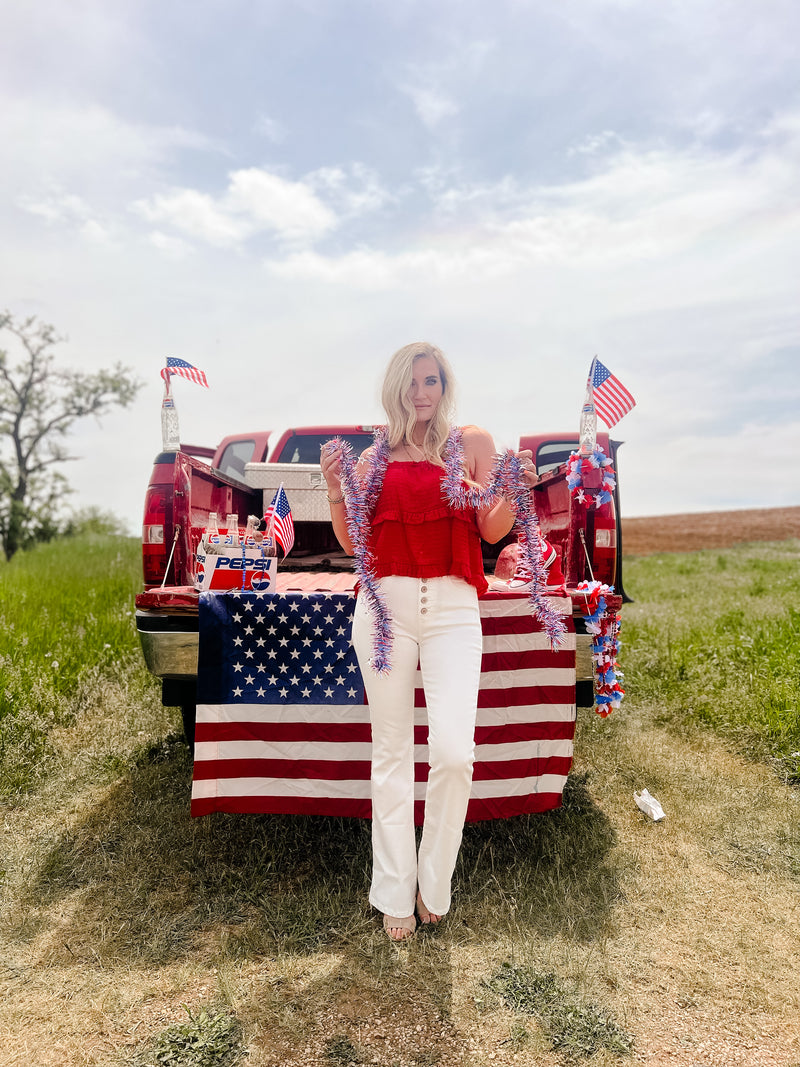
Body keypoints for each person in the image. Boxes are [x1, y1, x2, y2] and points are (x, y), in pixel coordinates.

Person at [320, 341, 538, 941]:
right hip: (384, 606)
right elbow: (353, 541)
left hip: (452, 607)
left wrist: (506, 491)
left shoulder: (471, 444)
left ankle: (433, 883)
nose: (423, 392)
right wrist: (337, 489)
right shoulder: (373, 459)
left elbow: (493, 529)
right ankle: (393, 890)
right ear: (396, 388)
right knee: (391, 755)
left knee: (453, 755)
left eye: (433, 380)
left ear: (445, 387)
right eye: (413, 381)